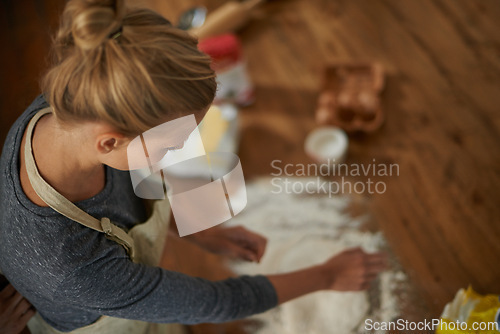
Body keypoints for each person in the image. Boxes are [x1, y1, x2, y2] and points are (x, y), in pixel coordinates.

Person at [0, 0, 387, 333]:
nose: (180, 149)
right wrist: (328, 275)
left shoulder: (77, 101)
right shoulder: (71, 265)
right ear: (110, 139)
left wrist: (199, 228)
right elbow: (218, 303)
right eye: (171, 143)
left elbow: (125, 187)